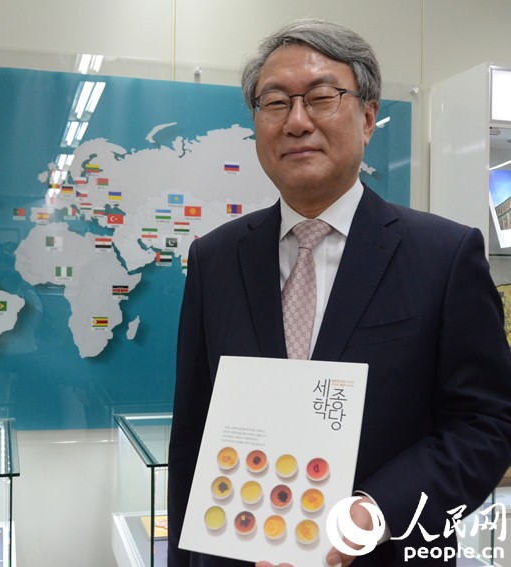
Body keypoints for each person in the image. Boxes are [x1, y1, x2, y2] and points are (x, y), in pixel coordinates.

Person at [167, 18, 511, 567]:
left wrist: (378, 510)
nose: (296, 121)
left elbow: (486, 426)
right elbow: (192, 436)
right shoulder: (215, 258)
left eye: (322, 97)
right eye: (274, 102)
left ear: (368, 117)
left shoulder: (444, 257)